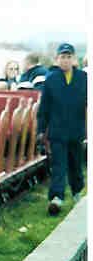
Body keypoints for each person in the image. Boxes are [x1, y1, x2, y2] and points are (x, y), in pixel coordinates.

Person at [37, 43, 87, 215]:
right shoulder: (51, 79)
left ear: (74, 59)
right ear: (57, 59)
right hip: (57, 131)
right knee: (59, 165)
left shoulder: (83, 78)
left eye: (68, 57)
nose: (65, 60)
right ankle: (56, 198)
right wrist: (41, 130)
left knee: (75, 164)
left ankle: (76, 192)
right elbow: (44, 107)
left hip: (76, 130)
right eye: (62, 57)